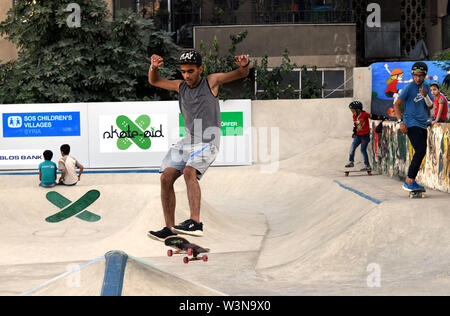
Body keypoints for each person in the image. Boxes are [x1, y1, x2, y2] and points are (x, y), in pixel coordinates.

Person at [147, 50, 250, 241]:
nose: (186, 76)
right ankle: (170, 228)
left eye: (191, 71)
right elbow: (155, 81)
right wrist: (153, 67)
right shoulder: (180, 86)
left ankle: (195, 222)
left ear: (200, 69)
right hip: (187, 142)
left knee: (188, 172)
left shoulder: (211, 81)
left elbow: (240, 74)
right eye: (184, 71)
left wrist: (244, 66)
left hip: (208, 141)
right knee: (165, 178)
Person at [393, 62, 434, 192]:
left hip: (423, 124)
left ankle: (411, 180)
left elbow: (431, 105)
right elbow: (396, 104)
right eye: (415, 75)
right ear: (412, 75)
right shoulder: (409, 87)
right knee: (420, 150)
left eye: (421, 76)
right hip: (411, 123)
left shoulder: (426, 86)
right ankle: (409, 181)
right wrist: (401, 122)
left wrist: (426, 95)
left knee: (422, 151)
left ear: (424, 75)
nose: (418, 78)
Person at [345, 101, 386, 171]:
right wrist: (354, 133)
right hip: (358, 136)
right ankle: (351, 162)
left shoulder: (364, 114)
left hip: (365, 136)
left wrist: (382, 117)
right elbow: (355, 125)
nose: (352, 112)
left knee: (363, 150)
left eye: (353, 111)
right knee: (352, 147)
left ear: (358, 110)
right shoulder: (354, 116)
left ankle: (367, 166)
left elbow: (373, 116)